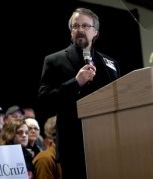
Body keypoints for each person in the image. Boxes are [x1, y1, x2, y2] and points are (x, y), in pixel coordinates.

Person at [38, 7, 120, 179]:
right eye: (75, 26)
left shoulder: (110, 63)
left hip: (107, 141)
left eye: (85, 26)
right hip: (73, 146)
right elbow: (45, 101)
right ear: (71, 31)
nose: (80, 30)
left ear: (95, 32)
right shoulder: (54, 60)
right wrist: (76, 82)